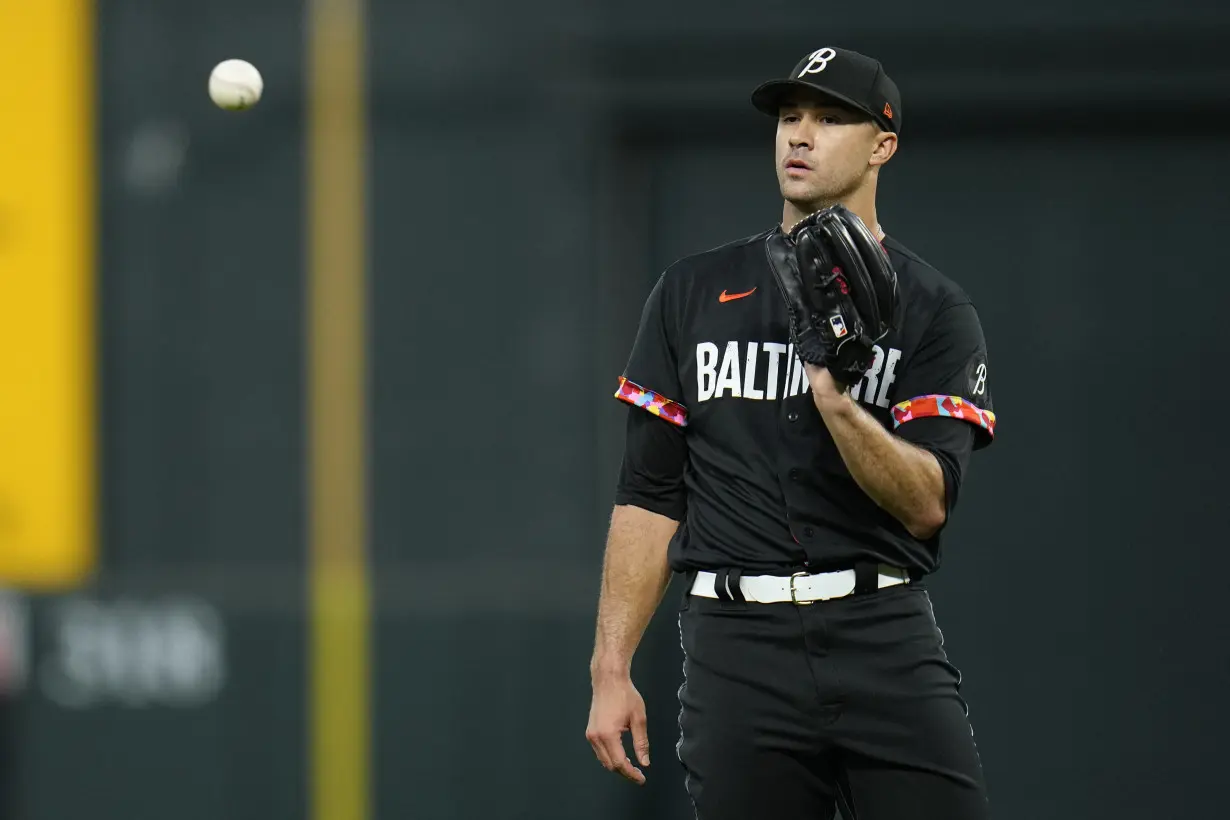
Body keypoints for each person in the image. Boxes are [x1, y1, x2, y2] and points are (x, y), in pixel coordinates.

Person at [584, 46, 998, 819]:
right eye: (789, 116)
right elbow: (648, 494)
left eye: (830, 118)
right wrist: (611, 667)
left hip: (880, 631)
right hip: (736, 646)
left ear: (883, 145)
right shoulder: (692, 292)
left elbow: (927, 504)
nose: (800, 136)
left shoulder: (934, 309)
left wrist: (839, 403)